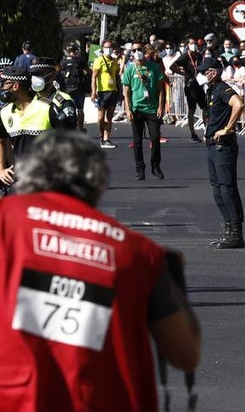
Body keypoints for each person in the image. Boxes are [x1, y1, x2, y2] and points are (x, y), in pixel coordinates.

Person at [0, 131, 200, 411]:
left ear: (29, 175)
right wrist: (174, 282)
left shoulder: (6, 221)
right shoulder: (139, 254)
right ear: (98, 183)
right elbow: (184, 354)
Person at [200, 57, 245, 249]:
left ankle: (236, 233)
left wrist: (228, 128)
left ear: (214, 72)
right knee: (218, 189)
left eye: (205, 72)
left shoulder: (222, 88)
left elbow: (239, 104)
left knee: (227, 188)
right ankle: (228, 230)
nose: (203, 75)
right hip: (212, 145)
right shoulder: (211, 90)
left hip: (223, 145)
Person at [121, 44, 166, 181]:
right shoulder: (130, 69)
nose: (137, 52)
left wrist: (161, 106)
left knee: (154, 137)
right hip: (136, 109)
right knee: (137, 141)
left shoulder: (153, 67)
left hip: (152, 108)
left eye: (139, 49)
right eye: (134, 50)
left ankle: (155, 165)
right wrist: (128, 110)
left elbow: (161, 89)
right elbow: (126, 92)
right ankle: (140, 169)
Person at [90, 39, 121, 148]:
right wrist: (93, 91)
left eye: (110, 47)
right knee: (100, 118)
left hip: (113, 91)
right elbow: (94, 76)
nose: (108, 49)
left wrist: (120, 91)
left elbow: (117, 77)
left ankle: (106, 138)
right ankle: (101, 135)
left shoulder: (114, 61)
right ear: (102, 49)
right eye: (106, 47)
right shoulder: (99, 60)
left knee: (109, 117)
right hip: (102, 92)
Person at [57, 42, 90, 131]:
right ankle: (80, 128)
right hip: (79, 88)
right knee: (80, 109)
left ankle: (69, 127)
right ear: (76, 51)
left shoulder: (63, 62)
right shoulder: (80, 61)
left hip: (66, 88)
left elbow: (57, 73)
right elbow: (89, 71)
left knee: (67, 108)